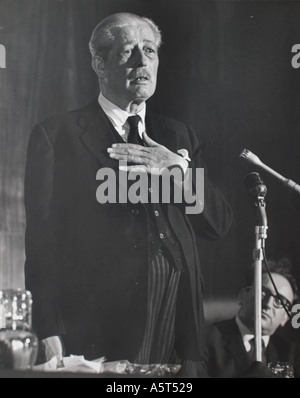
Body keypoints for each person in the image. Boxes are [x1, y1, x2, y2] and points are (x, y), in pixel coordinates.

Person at [24, 12, 232, 376]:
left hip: (177, 332)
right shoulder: (57, 137)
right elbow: (41, 244)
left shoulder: (179, 136)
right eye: (127, 52)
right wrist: (48, 327)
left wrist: (178, 172)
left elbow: (218, 225)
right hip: (97, 329)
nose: (142, 61)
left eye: (149, 51)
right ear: (98, 63)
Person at [205, 259, 300, 378]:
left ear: (285, 317)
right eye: (263, 292)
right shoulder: (207, 340)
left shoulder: (292, 353)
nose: (268, 304)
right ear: (242, 296)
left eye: (279, 301)